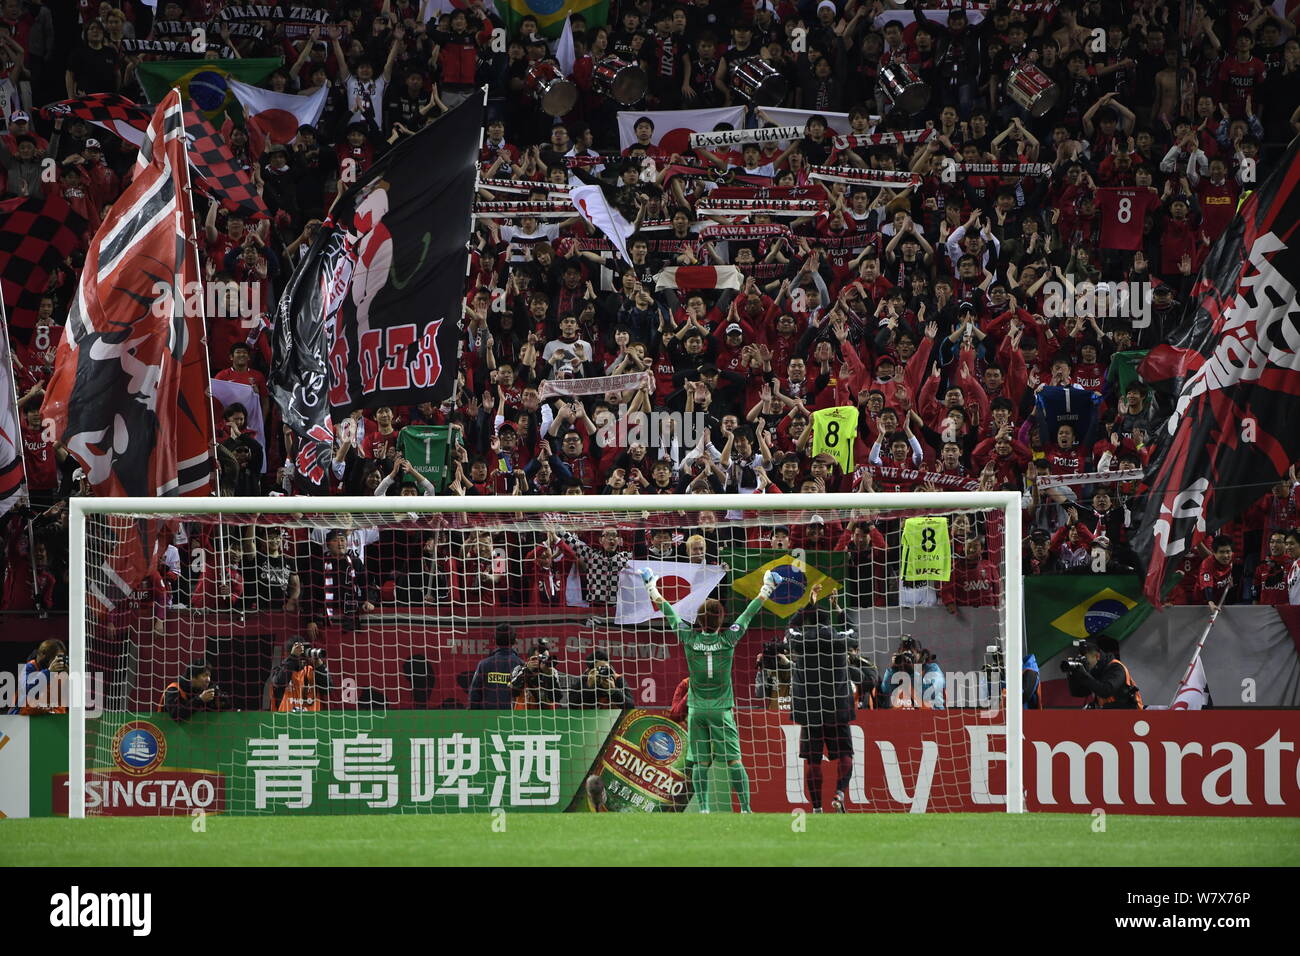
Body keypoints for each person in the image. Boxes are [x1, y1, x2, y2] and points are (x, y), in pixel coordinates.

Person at [640, 566, 780, 813]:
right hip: (721, 711)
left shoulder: (689, 638)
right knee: (734, 761)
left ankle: (704, 809)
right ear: (721, 619)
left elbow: (670, 613)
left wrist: (651, 587)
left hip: (697, 711)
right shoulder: (728, 639)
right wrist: (766, 588)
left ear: (699, 620)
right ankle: (746, 809)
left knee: (701, 763)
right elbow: (747, 614)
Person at [786, 583, 855, 813]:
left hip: (810, 709)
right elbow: (853, 632)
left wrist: (809, 603)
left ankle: (816, 808)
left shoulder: (801, 639)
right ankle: (839, 793)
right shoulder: (839, 637)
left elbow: (790, 627)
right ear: (828, 622)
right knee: (845, 754)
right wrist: (838, 608)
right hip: (837, 707)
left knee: (813, 761)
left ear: (808, 621)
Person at [1062, 639, 1143, 709]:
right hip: (1109, 714)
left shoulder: (1116, 667)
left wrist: (1084, 675)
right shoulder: (1096, 669)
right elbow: (1079, 693)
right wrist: (1071, 673)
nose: (1084, 663)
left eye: (1085, 660)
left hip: (1130, 714)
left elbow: (1106, 691)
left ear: (1097, 656)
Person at [467, 624, 525, 709]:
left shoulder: (483, 664)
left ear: (494, 640)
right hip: (513, 719)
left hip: (488, 719)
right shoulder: (522, 666)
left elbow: (474, 695)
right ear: (514, 640)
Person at [270, 639, 333, 713]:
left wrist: (320, 665)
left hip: (310, 720)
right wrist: (293, 658)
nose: (302, 657)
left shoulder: (313, 672)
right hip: (285, 720)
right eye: (299, 652)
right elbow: (279, 682)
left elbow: (328, 689)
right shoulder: (279, 669)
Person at [8, 639, 67, 715]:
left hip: (47, 719)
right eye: (55, 658)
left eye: (60, 658)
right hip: (22, 719)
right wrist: (48, 672)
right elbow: (29, 690)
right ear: (43, 655)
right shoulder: (29, 667)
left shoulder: (59, 674)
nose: (57, 662)